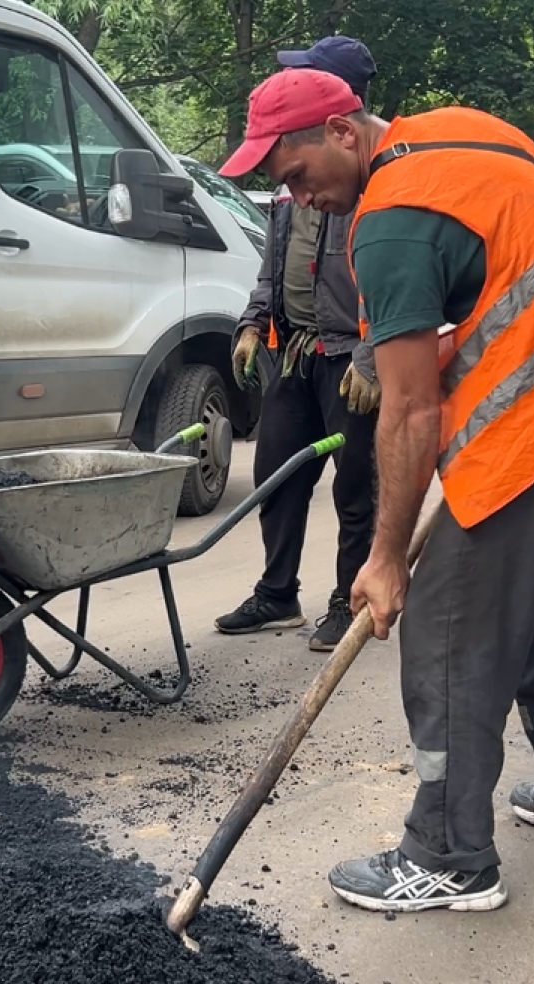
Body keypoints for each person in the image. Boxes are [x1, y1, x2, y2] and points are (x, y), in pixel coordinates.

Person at [219, 69, 534, 914]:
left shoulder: (389, 224)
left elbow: (410, 411)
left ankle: (450, 856)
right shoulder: (456, 128)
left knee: (448, 624)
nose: (299, 199)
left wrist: (386, 561)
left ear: (344, 132)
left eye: (296, 174)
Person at [216, 36, 383, 654]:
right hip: (296, 352)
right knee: (276, 476)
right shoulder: (293, 188)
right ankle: (277, 593)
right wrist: (253, 322)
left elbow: (392, 286)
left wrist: (370, 358)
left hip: (350, 361)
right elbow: (272, 265)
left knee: (354, 489)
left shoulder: (368, 185)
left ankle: (351, 600)